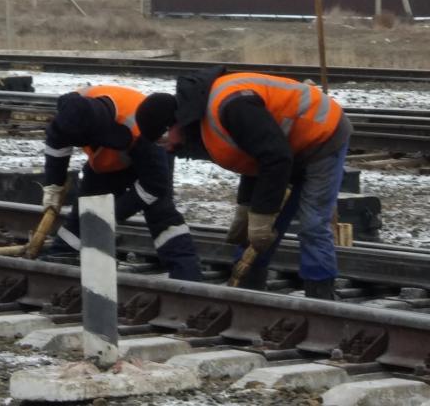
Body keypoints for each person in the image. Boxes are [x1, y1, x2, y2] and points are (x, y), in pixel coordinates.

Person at [135, 66, 351, 300]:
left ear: (174, 123)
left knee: (313, 224)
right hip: (286, 148)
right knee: (260, 228)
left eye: (163, 139)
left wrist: (261, 216)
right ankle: (249, 290)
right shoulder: (204, 120)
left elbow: (275, 157)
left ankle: (320, 293)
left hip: (322, 135)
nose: (167, 147)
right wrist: (246, 208)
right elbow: (254, 158)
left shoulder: (231, 107)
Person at [40, 85, 202, 281]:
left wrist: (112, 213)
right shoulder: (73, 109)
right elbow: (57, 146)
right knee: (86, 211)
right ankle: (58, 262)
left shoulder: (145, 130)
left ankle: (187, 275)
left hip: (148, 158)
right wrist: (54, 186)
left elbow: (154, 187)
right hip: (106, 162)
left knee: (160, 213)